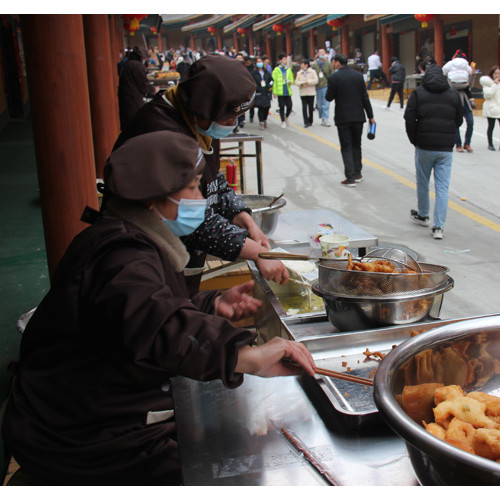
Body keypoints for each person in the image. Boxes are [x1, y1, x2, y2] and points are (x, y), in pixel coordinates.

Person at [1, 131, 316, 486]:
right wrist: (245, 357)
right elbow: (159, 328)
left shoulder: (125, 237)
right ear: (154, 200)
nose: (201, 199)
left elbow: (149, 308)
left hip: (95, 407)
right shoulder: (120, 257)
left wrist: (211, 303)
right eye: (194, 188)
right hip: (79, 433)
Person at [112, 54, 289, 293]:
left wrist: (245, 219)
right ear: (203, 110)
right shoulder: (161, 133)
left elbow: (212, 179)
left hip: (181, 260)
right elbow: (186, 214)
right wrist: (256, 252)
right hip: (155, 254)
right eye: (229, 117)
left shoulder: (201, 124)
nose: (232, 123)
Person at [404, 65, 463, 240]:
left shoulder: (418, 93)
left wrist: (414, 139)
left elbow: (409, 118)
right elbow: (458, 119)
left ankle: (423, 215)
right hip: (445, 149)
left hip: (424, 146)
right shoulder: (453, 94)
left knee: (423, 182)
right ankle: (438, 227)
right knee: (442, 188)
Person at [326, 53, 375, 187]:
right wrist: (370, 116)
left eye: (333, 62)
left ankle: (350, 177)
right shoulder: (358, 76)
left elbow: (328, 97)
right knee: (356, 145)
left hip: (343, 117)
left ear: (336, 62)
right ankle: (358, 173)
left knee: (346, 146)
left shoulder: (333, 78)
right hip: (358, 116)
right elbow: (365, 97)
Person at [117, 46, 159, 130]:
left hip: (127, 98)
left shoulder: (129, 63)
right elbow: (143, 83)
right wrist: (153, 90)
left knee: (128, 124)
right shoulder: (136, 65)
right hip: (132, 99)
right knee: (134, 124)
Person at [443, 50, 474, 152]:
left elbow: (471, 85)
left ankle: (467, 143)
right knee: (456, 122)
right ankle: (458, 144)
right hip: (454, 97)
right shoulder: (463, 67)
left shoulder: (453, 66)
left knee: (470, 121)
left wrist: (472, 75)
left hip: (465, 97)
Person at [480, 65, 500, 151]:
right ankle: (490, 144)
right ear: (492, 74)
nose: (497, 75)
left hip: (499, 106)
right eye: (495, 73)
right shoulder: (487, 84)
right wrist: (494, 84)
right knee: (491, 126)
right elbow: (489, 95)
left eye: (499, 73)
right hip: (491, 107)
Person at [312, 48, 334, 127]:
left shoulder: (328, 63)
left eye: (323, 53)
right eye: (320, 53)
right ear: (317, 54)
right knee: (320, 104)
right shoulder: (314, 64)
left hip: (326, 85)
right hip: (318, 85)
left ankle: (325, 118)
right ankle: (322, 117)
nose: (321, 54)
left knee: (326, 103)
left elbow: (331, 74)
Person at [250, 56, 273, 130]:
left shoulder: (266, 72)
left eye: (261, 62)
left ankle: (264, 119)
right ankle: (261, 122)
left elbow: (271, 80)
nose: (260, 63)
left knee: (267, 107)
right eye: (258, 62)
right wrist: (256, 87)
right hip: (259, 92)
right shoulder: (253, 73)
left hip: (266, 92)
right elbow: (251, 82)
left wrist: (270, 85)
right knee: (261, 107)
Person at [272, 54, 294, 128]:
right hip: (280, 91)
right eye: (284, 59)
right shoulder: (276, 70)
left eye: (286, 60)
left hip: (287, 91)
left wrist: (291, 82)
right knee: (281, 106)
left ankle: (286, 116)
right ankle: (283, 121)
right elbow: (274, 81)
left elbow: (292, 80)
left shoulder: (288, 70)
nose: (285, 61)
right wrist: (274, 92)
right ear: (280, 61)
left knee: (289, 106)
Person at [295, 58, 319, 128]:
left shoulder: (312, 72)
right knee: (304, 107)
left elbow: (316, 80)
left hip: (310, 92)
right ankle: (306, 121)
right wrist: (301, 83)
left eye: (302, 64)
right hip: (303, 92)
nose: (301, 66)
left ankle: (310, 120)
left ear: (306, 65)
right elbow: (296, 82)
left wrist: (308, 82)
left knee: (311, 107)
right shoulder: (299, 73)